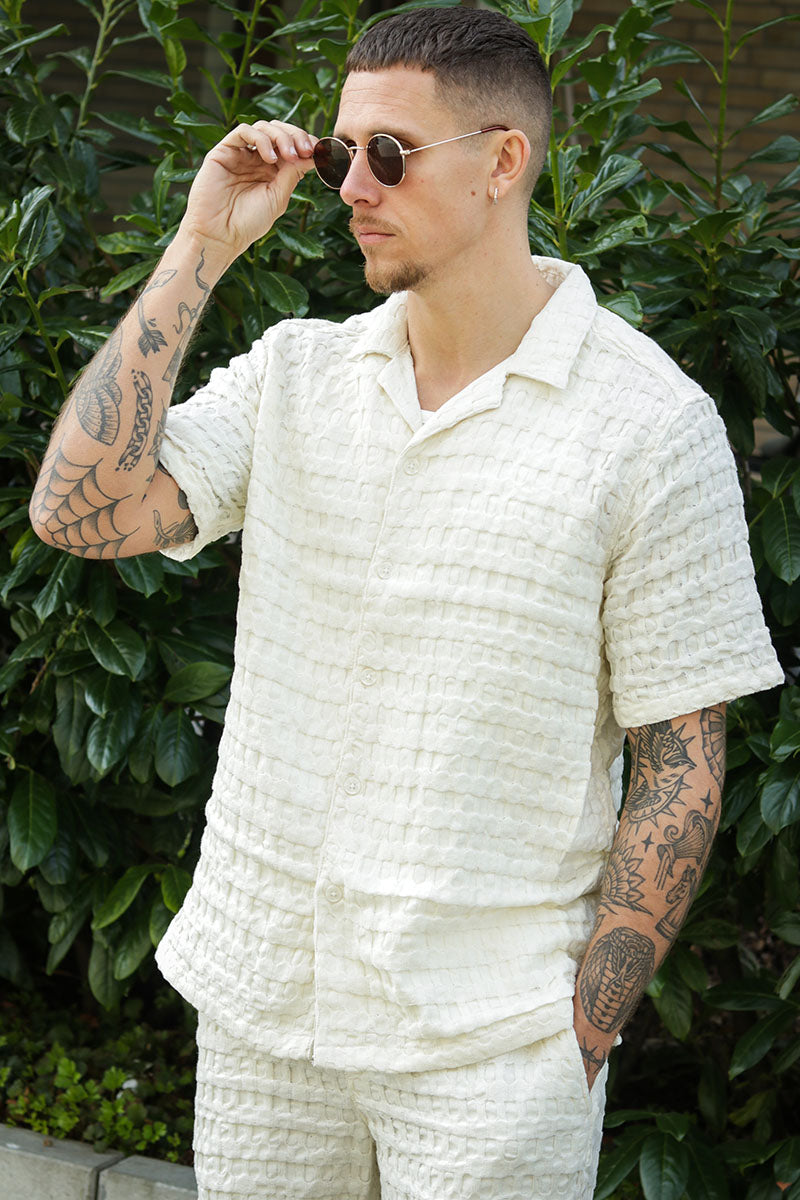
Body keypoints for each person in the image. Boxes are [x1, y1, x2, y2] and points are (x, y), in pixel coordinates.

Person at [30, 6, 782, 1198]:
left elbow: (679, 760)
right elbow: (81, 512)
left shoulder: (648, 426)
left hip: (491, 1047)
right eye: (341, 153)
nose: (349, 188)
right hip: (266, 1015)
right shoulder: (299, 375)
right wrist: (199, 246)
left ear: (502, 160)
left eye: (388, 153)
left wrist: (581, 1035)